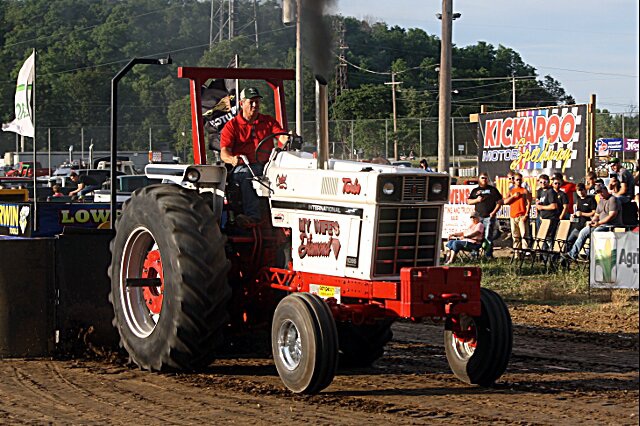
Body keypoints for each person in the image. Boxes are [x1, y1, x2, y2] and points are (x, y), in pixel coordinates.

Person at [220, 87, 290, 225]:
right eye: (251, 102)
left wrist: (288, 138)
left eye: (257, 102)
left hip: (266, 166)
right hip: (244, 166)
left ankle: (285, 215)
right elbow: (224, 152)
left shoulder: (268, 121)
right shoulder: (232, 126)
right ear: (241, 103)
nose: (254, 105)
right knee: (246, 175)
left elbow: (281, 136)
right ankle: (252, 216)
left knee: (284, 176)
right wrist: (232, 159)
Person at [563, 183, 622, 260]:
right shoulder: (601, 201)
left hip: (610, 225)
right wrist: (592, 221)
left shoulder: (612, 199)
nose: (599, 194)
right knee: (583, 232)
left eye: (600, 192)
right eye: (597, 192)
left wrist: (599, 223)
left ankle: (588, 254)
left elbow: (612, 215)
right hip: (600, 224)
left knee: (595, 232)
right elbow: (596, 215)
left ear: (605, 190)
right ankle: (572, 254)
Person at [467, 172, 503, 258]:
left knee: (488, 236)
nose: (484, 180)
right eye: (482, 178)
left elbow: (499, 202)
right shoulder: (475, 190)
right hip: (478, 218)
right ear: (479, 179)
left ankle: (488, 255)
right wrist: (477, 200)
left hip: (488, 217)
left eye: (486, 178)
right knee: (476, 236)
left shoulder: (492, 190)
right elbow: (468, 201)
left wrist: (494, 212)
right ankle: (474, 255)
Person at [503, 172, 531, 249]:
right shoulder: (511, 191)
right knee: (515, 236)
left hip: (522, 215)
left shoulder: (524, 191)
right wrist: (513, 196)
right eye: (517, 180)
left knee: (524, 235)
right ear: (514, 181)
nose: (519, 181)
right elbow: (505, 202)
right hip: (513, 216)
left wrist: (526, 214)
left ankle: (525, 252)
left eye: (520, 180)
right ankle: (517, 252)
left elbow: (528, 203)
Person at [567, 182, 597, 247]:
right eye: (578, 190)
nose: (580, 192)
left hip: (586, 225)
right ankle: (567, 253)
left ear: (585, 190)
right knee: (569, 241)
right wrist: (573, 216)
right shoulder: (578, 200)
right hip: (578, 225)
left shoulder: (590, 199)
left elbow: (594, 213)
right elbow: (577, 212)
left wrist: (582, 214)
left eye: (581, 190)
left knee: (581, 243)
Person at [535, 174, 560, 248]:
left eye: (545, 182)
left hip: (550, 218)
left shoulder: (551, 192)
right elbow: (537, 201)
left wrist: (542, 207)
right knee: (541, 237)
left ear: (548, 182)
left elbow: (554, 206)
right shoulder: (539, 191)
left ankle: (551, 252)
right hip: (541, 217)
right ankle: (543, 253)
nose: (543, 184)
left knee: (549, 237)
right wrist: (538, 205)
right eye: (541, 182)